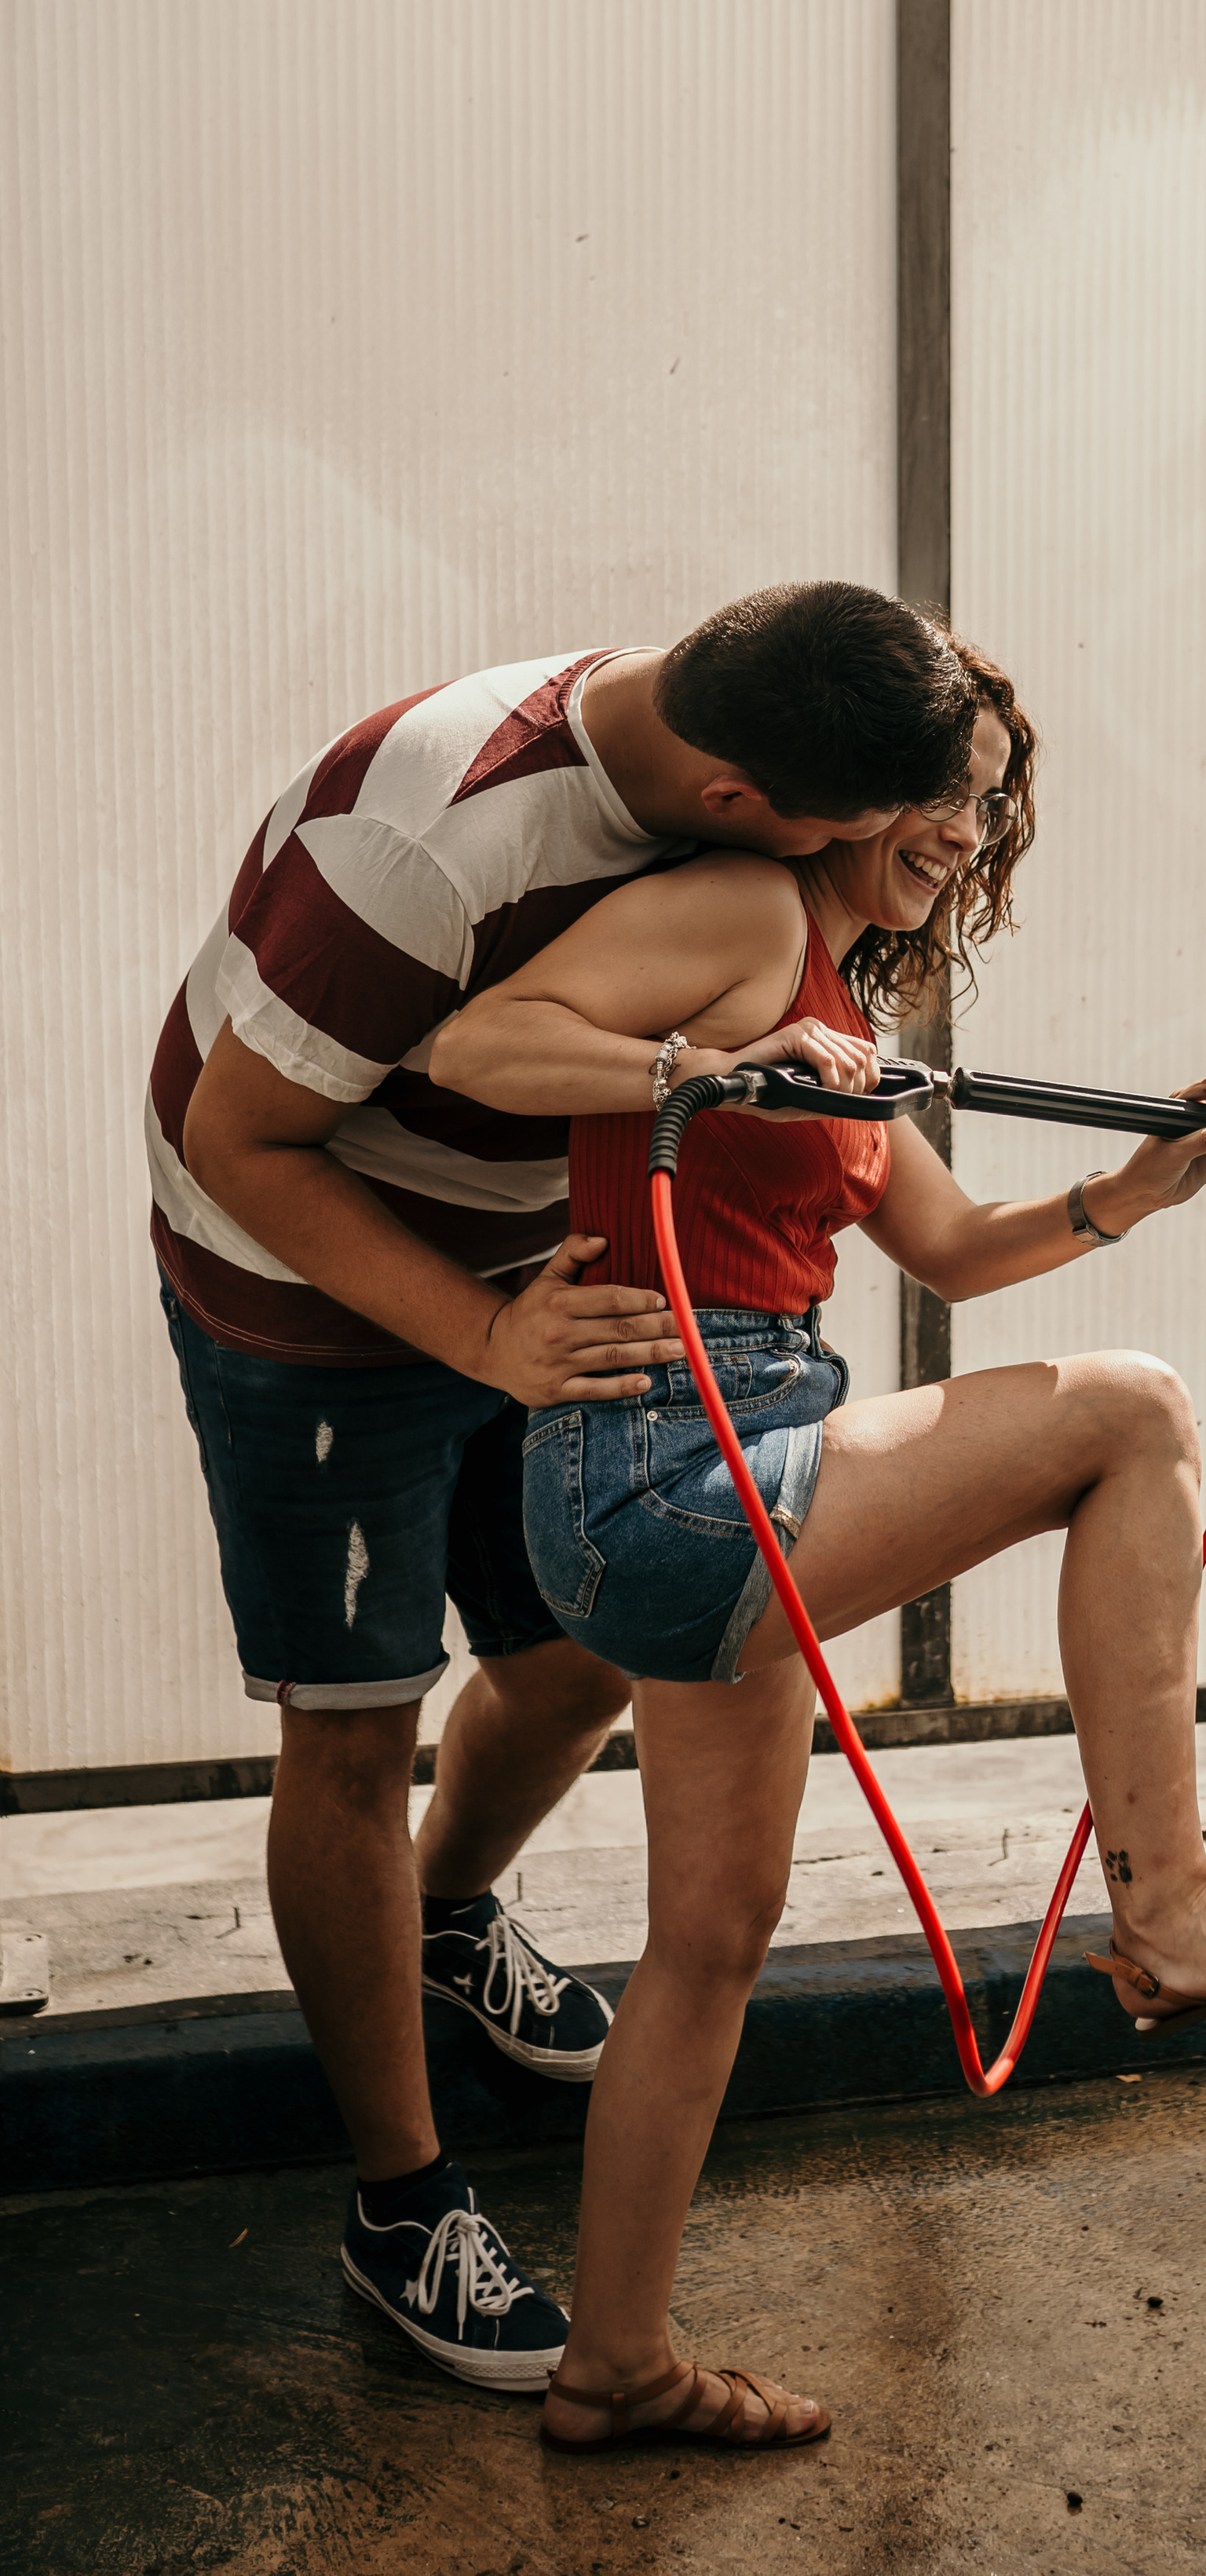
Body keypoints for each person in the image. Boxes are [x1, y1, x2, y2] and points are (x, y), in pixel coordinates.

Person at [431, 635, 1206, 2452]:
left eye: (985, 801)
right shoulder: (736, 911)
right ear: (849, 788)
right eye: (940, 791)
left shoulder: (838, 1011)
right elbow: (478, 1040)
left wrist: (1138, 1184)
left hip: (724, 1442)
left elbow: (955, 1254)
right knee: (1132, 1412)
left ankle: (615, 2364)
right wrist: (708, 1071)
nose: (965, 828)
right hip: (662, 1456)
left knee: (711, 1938)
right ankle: (1174, 1916)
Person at [148, 584, 977, 2387]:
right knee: (355, 1732)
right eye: (847, 836)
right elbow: (239, 1134)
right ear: (742, 799)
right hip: (302, 1285)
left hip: (527, 1271)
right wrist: (479, 1339)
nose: (864, 869)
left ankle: (448, 1919)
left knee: (582, 1640)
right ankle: (400, 2204)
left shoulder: (720, 739)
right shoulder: (425, 847)